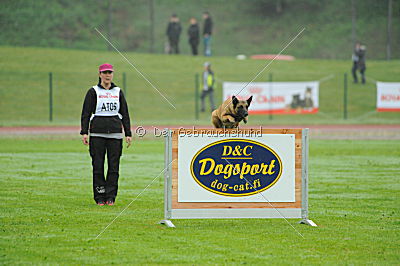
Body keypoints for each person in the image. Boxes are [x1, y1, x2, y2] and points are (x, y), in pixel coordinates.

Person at [80, 63, 132, 206]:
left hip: (115, 134)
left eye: (110, 72)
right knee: (98, 166)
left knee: (113, 167)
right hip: (97, 134)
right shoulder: (93, 91)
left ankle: (111, 197)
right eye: (105, 72)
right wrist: (84, 132)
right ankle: (99, 196)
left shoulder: (118, 92)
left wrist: (128, 133)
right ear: (100, 74)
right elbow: (86, 113)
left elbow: (125, 114)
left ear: (113, 74)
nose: (108, 75)